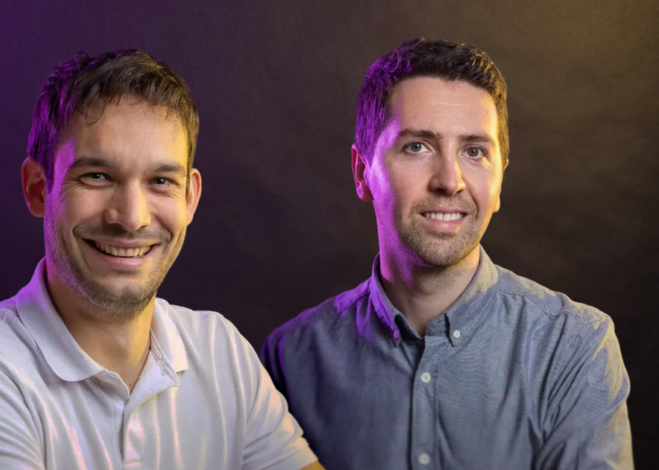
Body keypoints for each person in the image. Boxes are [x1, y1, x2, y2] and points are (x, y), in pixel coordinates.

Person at [0, 50, 323, 470]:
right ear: (37, 188)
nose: (131, 218)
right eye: (97, 176)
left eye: (161, 181)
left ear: (190, 198)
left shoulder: (221, 352)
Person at [260, 38, 632, 470]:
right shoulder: (291, 358)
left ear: (498, 183)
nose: (450, 181)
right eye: (418, 146)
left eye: (474, 152)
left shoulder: (574, 347)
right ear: (363, 172)